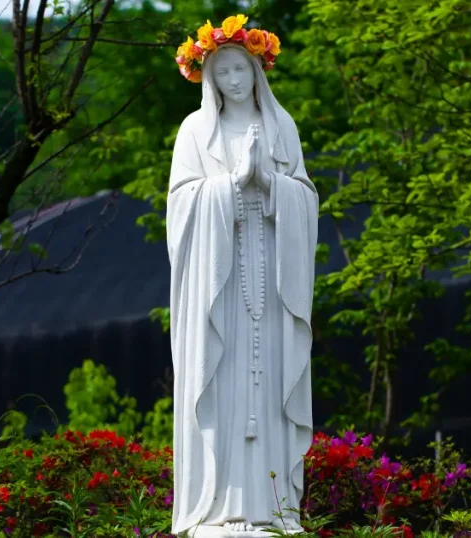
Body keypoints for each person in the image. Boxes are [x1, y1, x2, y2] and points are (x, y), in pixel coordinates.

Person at [166, 15, 319, 537]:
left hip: (273, 280)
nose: (234, 79)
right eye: (223, 71)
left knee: (269, 383)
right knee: (225, 381)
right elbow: (181, 207)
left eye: (241, 69)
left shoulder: (281, 126)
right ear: (208, 77)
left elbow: (306, 197)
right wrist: (230, 185)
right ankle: (217, 508)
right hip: (219, 286)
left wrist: (271, 183)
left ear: (257, 70)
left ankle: (274, 509)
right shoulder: (194, 132)